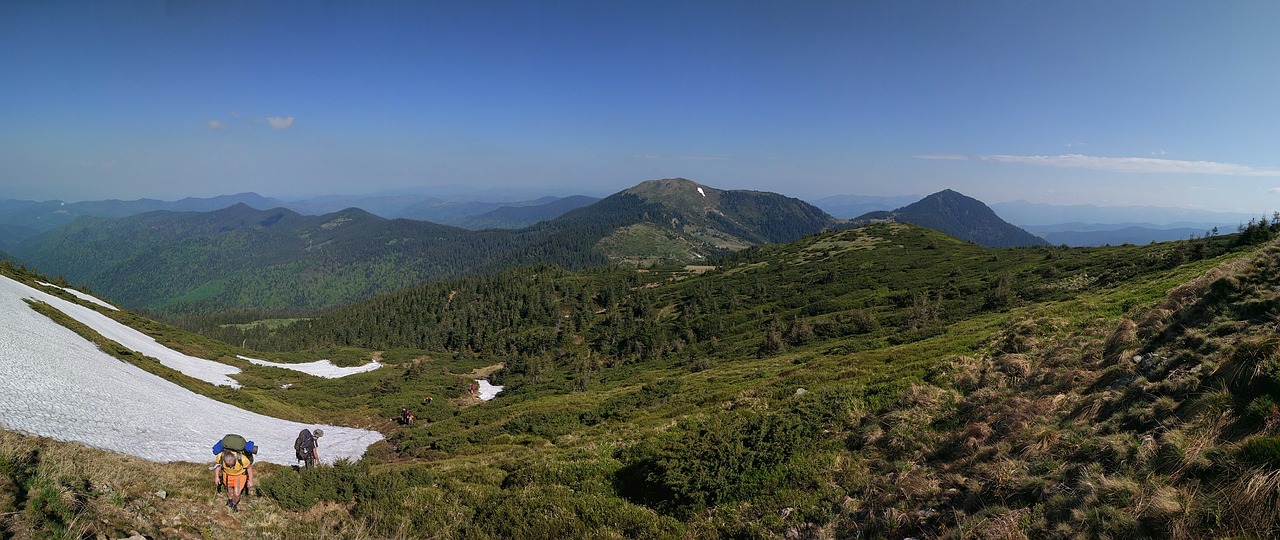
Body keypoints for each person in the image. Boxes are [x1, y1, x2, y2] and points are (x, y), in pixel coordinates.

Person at [214, 447, 253, 512]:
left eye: (232, 465)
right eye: (228, 465)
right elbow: (217, 466)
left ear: (235, 459)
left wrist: (250, 480)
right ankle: (230, 499)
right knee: (228, 489)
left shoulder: (242, 459)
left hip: (239, 475)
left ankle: (234, 504)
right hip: (227, 475)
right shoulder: (220, 456)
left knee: (237, 493)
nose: (230, 467)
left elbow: (249, 468)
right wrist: (216, 477)